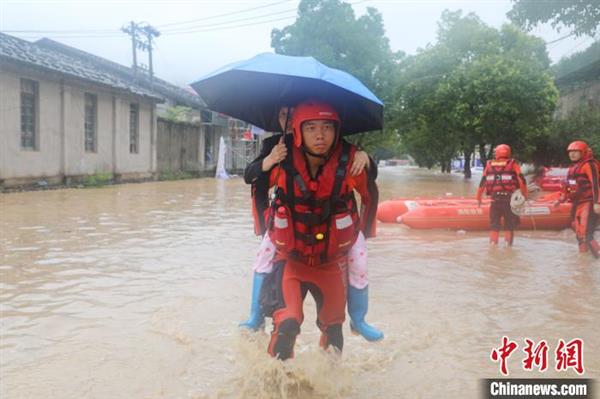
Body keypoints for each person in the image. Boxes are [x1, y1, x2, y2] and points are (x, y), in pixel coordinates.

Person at [240, 106, 384, 341]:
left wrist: (366, 158)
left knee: (359, 261)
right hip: (290, 222)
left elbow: (370, 179)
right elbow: (252, 178)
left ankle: (359, 319)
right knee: (263, 258)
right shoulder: (275, 146)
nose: (320, 135)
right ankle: (255, 316)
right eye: (283, 114)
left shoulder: (341, 147)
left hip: (332, 224)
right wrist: (269, 161)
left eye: (326, 128)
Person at [476, 144, 528, 246]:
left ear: (497, 153)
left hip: (495, 200)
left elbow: (482, 183)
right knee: (509, 225)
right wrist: (524, 195)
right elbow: (521, 180)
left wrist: (478, 198)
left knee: (494, 225)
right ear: (508, 153)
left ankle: (493, 246)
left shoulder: (489, 164)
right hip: (509, 200)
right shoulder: (513, 164)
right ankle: (508, 247)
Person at [555, 141, 600, 258]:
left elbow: (596, 184)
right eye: (570, 152)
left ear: (583, 152)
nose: (572, 154)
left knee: (587, 233)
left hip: (589, 202)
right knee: (579, 234)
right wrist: (561, 200)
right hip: (577, 203)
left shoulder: (589, 165)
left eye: (575, 152)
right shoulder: (572, 169)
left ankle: (598, 258)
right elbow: (568, 187)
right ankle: (583, 262)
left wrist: (597, 203)